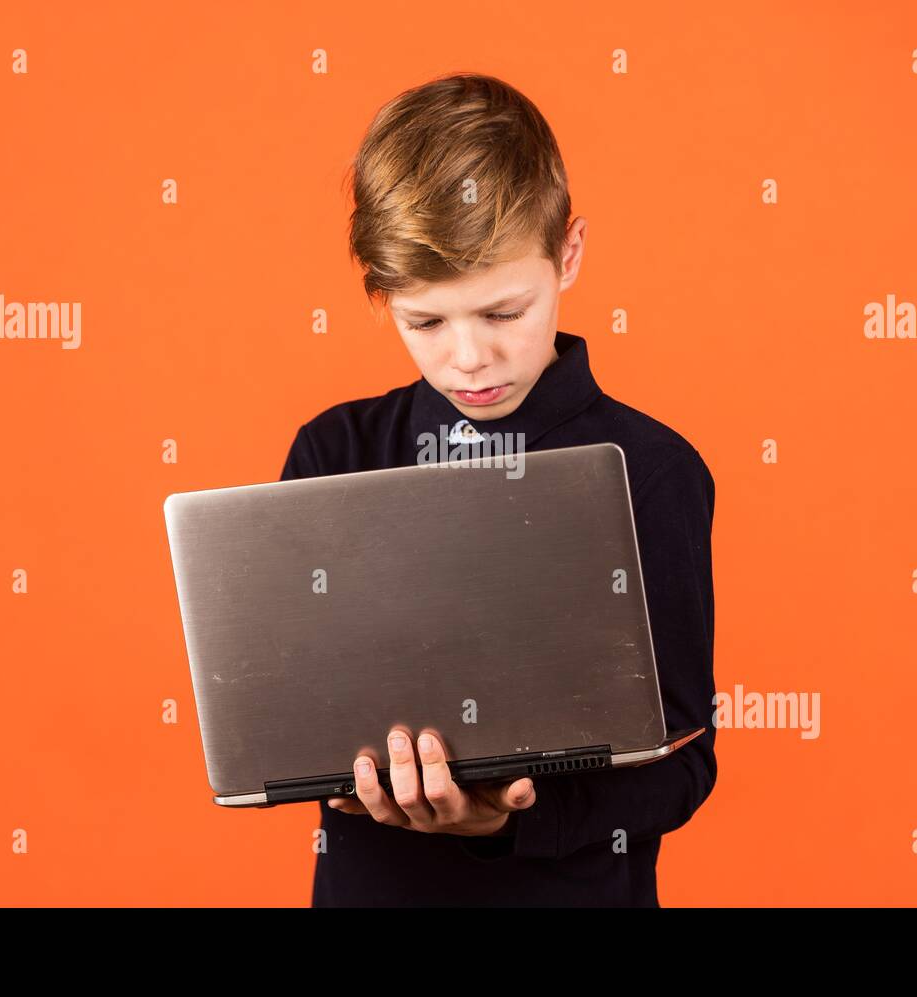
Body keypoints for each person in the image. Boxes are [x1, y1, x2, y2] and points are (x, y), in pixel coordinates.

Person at [278, 72, 717, 907]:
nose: (469, 359)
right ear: (380, 293)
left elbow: (686, 761)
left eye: (505, 312)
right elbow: (290, 719)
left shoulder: (652, 471)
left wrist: (508, 821)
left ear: (570, 256)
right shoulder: (332, 453)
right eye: (427, 323)